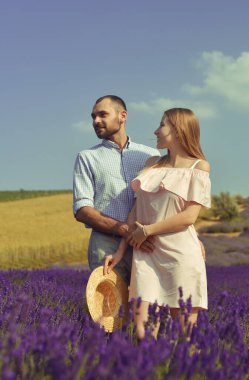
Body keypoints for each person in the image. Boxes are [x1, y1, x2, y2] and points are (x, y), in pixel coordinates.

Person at [104, 107, 211, 340]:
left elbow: (189, 217)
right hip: (147, 255)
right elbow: (136, 211)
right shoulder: (152, 163)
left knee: (186, 336)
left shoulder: (199, 167)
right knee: (143, 333)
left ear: (179, 129)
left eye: (162, 125)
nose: (156, 130)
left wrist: (147, 231)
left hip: (180, 256)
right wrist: (121, 250)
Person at [73, 95, 159, 284]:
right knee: (108, 311)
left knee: (149, 310)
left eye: (102, 114)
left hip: (147, 244)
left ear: (123, 116)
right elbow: (82, 210)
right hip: (106, 245)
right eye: (93, 117)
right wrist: (125, 230)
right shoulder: (87, 158)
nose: (96, 121)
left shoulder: (151, 155)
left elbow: (166, 201)